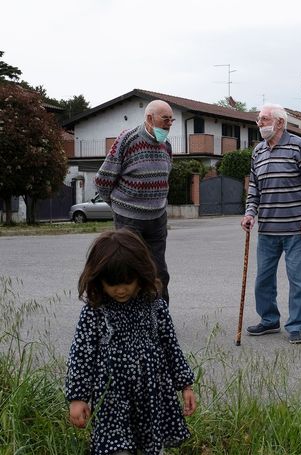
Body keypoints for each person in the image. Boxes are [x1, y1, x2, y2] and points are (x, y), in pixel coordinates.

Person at [65, 229, 196, 454]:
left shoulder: (154, 305)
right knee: (117, 449)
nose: (121, 289)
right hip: (112, 402)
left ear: (141, 273)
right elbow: (81, 355)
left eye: (128, 281)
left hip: (152, 397)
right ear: (98, 278)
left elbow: (171, 346)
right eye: (112, 283)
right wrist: (78, 397)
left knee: (151, 447)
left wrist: (185, 385)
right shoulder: (96, 311)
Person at [240, 103, 301, 345]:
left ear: (279, 122)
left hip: (297, 229)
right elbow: (254, 188)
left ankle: (296, 326)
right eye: (258, 119)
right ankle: (269, 320)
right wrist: (249, 213)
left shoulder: (298, 146)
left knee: (299, 281)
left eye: (264, 119)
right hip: (267, 229)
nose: (259, 123)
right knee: (263, 280)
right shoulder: (258, 151)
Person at [95, 99, 174, 303]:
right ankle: (129, 316)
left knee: (159, 272)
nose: (169, 124)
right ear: (150, 118)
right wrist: (119, 207)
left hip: (157, 218)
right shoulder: (127, 140)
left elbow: (165, 177)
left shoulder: (166, 145)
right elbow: (103, 180)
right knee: (129, 270)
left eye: (171, 120)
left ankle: (160, 316)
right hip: (129, 219)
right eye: (165, 119)